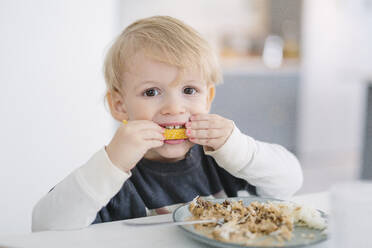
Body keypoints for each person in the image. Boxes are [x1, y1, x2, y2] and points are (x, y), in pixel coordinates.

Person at [32, 16, 303, 231]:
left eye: (189, 90)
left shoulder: (223, 159)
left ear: (207, 98)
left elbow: (290, 181)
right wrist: (111, 163)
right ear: (119, 105)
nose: (174, 108)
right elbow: (45, 227)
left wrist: (239, 148)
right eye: (151, 92)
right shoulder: (113, 176)